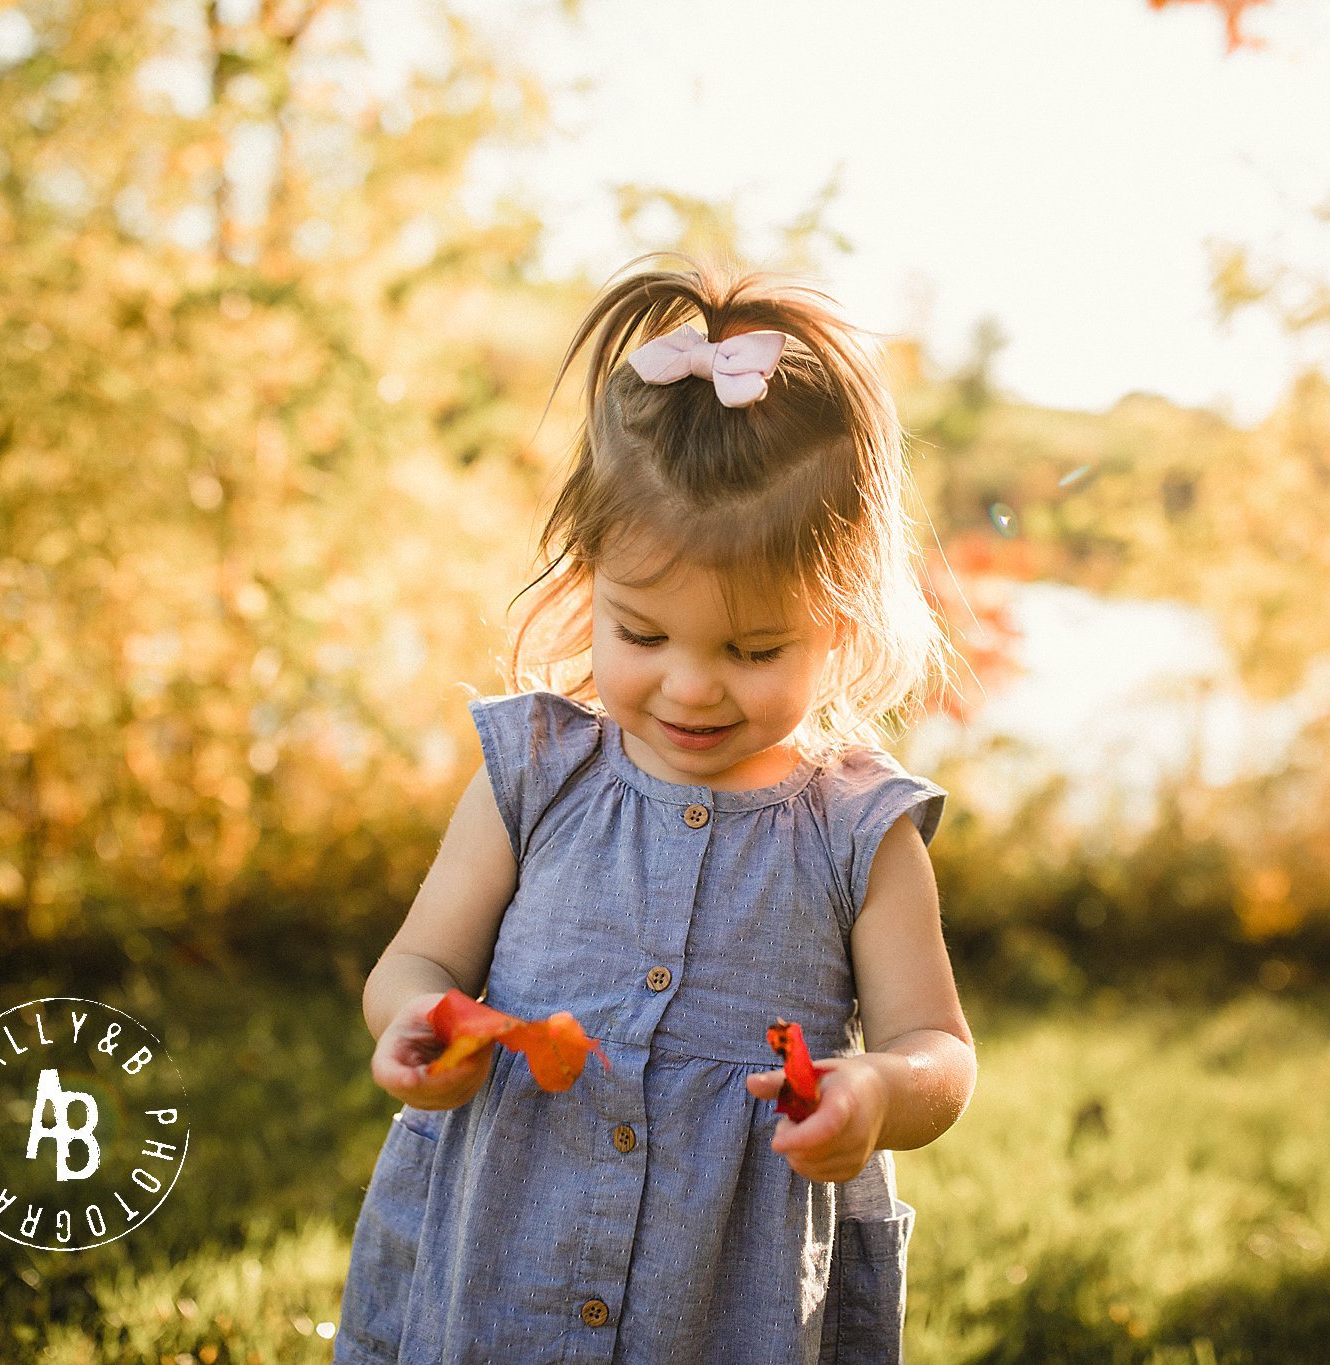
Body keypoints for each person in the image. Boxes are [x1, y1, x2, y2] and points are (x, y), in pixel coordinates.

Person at [336, 256, 976, 1365]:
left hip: (726, 1300)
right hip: (502, 1267)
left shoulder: (856, 834)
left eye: (751, 648)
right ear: (588, 585)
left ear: (842, 620)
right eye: (642, 635)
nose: (689, 684)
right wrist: (416, 1024)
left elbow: (938, 1052)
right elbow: (414, 966)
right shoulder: (533, 776)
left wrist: (875, 1089)